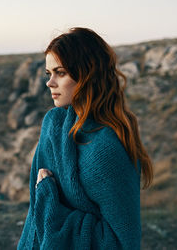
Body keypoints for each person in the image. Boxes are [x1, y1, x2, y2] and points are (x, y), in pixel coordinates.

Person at [17, 27, 153, 250]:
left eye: (60, 73)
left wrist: (50, 204)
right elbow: (34, 212)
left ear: (87, 74)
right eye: (48, 73)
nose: (50, 83)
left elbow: (122, 243)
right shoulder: (54, 125)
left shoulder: (106, 150)